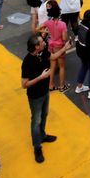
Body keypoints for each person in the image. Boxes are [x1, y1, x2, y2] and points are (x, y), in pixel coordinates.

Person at [21, 34, 70, 163]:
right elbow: (24, 84)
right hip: (35, 96)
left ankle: (42, 136)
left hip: (45, 92)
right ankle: (37, 147)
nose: (45, 42)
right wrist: (41, 77)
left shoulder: (43, 53)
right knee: (36, 120)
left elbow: (53, 56)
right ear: (36, 46)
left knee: (45, 115)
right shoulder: (27, 62)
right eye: (42, 42)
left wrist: (64, 48)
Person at [44, 3, 69, 92]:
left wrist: (46, 31)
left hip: (51, 45)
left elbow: (37, 29)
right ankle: (61, 86)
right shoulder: (62, 24)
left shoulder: (48, 22)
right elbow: (64, 38)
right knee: (61, 66)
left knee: (52, 66)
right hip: (59, 46)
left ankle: (51, 85)